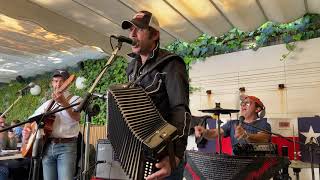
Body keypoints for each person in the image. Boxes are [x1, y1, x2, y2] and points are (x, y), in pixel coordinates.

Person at [122, 10, 190, 180]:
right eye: (130, 29)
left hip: (165, 157)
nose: (132, 34)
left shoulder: (171, 64)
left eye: (139, 29)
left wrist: (175, 156)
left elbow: (180, 110)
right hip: (139, 155)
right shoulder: (131, 68)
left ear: (155, 35)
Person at [22, 69, 81, 180]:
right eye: (55, 81)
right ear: (52, 83)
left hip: (66, 147)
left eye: (61, 81)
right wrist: (27, 130)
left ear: (68, 83)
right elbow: (30, 119)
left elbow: (76, 117)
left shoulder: (76, 99)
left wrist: (64, 102)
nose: (58, 84)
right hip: (47, 146)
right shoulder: (47, 103)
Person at [195, 95, 271, 154]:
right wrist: (204, 132)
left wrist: (246, 135)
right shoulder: (233, 123)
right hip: (236, 163)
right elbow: (215, 133)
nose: (243, 105)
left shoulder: (263, 123)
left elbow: (264, 138)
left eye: (247, 103)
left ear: (257, 109)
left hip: (256, 164)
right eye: (242, 103)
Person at [0, 113, 17, 180]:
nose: (3, 125)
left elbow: (12, 148)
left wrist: (12, 139)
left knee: (4, 170)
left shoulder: (5, 132)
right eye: (0, 122)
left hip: (2, 162)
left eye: (4, 122)